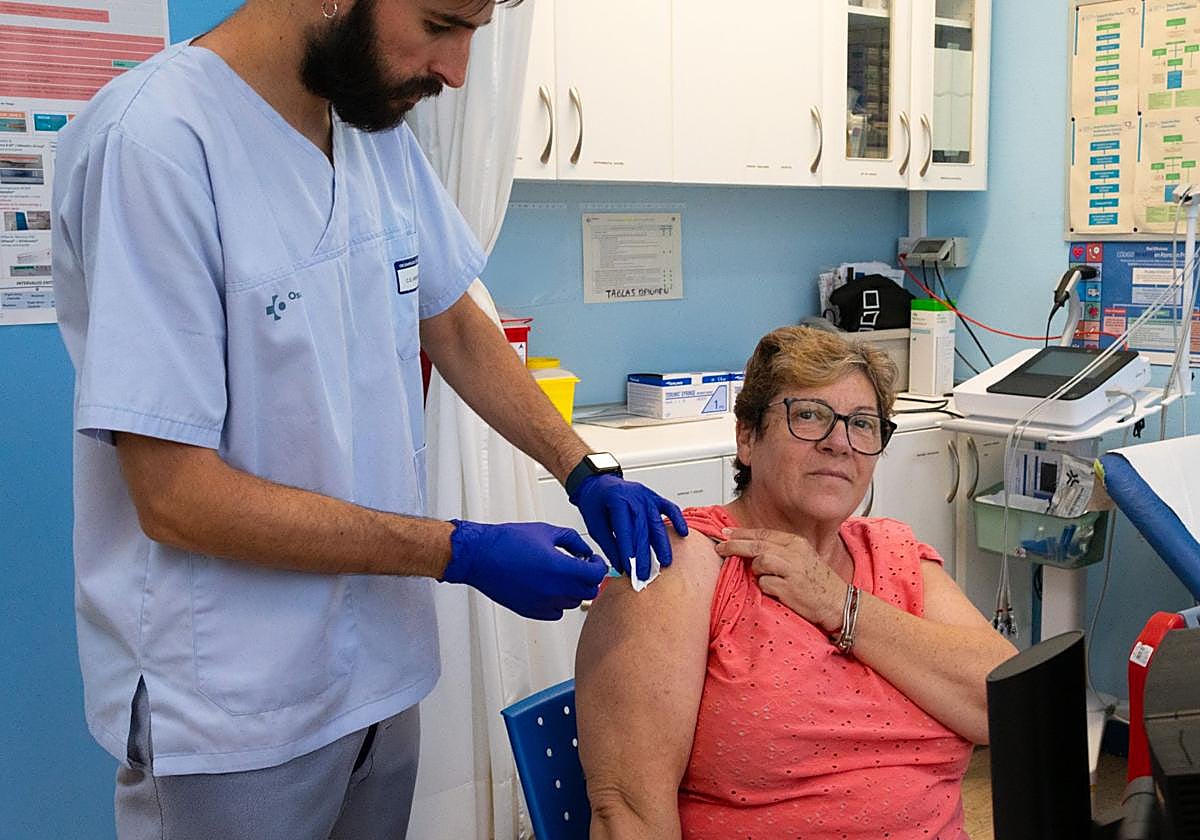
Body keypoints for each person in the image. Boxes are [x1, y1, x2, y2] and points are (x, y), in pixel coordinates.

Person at [50, 1, 686, 837]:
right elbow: (176, 498)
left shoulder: (368, 127)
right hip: (234, 707)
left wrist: (581, 466)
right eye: (441, 23)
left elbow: (454, 319)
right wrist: (459, 549)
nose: (456, 70)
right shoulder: (156, 145)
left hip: (378, 679)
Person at [576, 326, 1018, 840]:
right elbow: (626, 812)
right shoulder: (686, 566)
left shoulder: (892, 553)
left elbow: (1008, 706)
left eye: (863, 424)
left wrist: (840, 605)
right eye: (809, 415)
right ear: (747, 436)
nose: (839, 443)